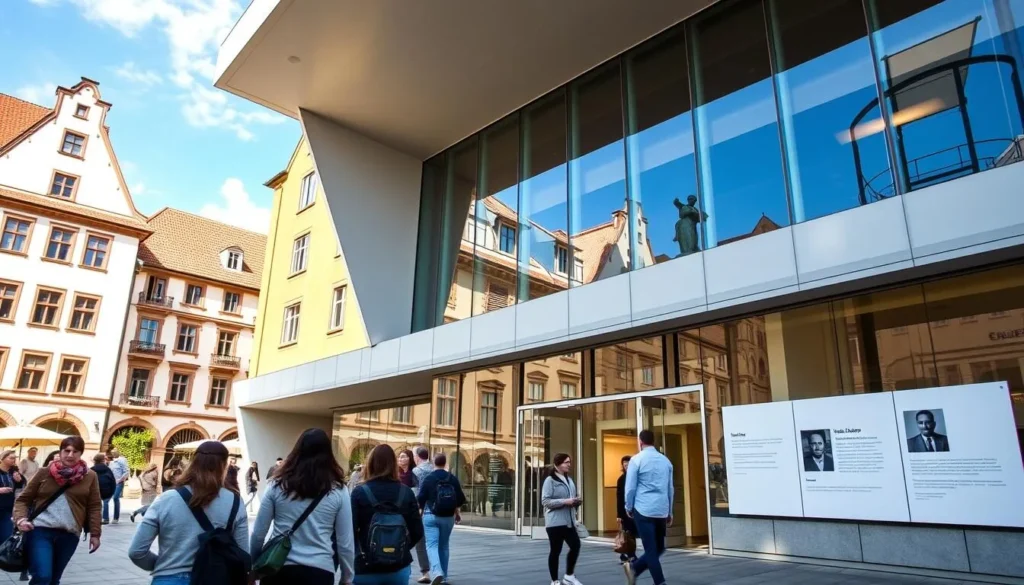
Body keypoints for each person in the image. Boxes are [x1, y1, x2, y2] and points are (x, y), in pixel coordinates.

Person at [128, 441, 249, 584]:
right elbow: (243, 553)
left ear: (193, 462)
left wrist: (163, 566)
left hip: (169, 579)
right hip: (215, 578)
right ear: (224, 466)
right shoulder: (235, 501)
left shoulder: (166, 499)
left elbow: (136, 552)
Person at [251, 428, 355, 585]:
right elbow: (345, 541)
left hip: (278, 568)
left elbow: (259, 533)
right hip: (319, 571)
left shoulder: (276, 485)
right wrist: (347, 577)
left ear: (297, 451)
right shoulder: (339, 491)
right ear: (328, 454)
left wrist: (254, 567)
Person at [15, 436, 102, 585]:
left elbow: (94, 505)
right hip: (40, 530)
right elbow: (23, 499)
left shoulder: (90, 476)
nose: (70, 455)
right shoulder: (45, 472)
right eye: (66, 450)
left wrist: (95, 533)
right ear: (60, 452)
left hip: (69, 533)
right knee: (43, 576)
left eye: (75, 451)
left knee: (54, 579)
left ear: (81, 453)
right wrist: (21, 519)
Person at [350, 445, 424, 585]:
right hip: (399, 567)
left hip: (366, 566)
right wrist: (399, 547)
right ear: (393, 465)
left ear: (370, 463)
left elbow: (350, 530)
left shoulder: (359, 492)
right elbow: (418, 531)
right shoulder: (406, 492)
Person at [623, 430, 674, 585]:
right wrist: (670, 510)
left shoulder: (636, 460)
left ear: (640, 441)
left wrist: (628, 506)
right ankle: (639, 571)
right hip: (661, 509)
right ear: (654, 441)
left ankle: (636, 569)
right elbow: (670, 488)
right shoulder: (666, 461)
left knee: (653, 550)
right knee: (658, 548)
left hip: (643, 509)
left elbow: (630, 487)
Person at [417, 452, 465, 585]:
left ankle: (437, 571)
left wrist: (420, 512)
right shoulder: (453, 478)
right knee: (444, 546)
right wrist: (457, 512)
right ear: (445, 463)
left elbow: (421, 498)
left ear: (433, 462)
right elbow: (460, 499)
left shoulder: (429, 478)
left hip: (430, 516)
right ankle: (443, 577)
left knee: (431, 545)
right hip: (448, 517)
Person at [541, 453, 583, 585]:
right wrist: (565, 501)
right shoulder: (550, 480)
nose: (569, 464)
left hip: (569, 522)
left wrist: (576, 502)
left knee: (576, 545)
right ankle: (554, 580)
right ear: (557, 464)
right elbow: (546, 501)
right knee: (555, 551)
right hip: (555, 523)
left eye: (569, 462)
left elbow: (571, 499)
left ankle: (569, 575)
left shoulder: (569, 480)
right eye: (566, 462)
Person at [396, 449, 427, 583]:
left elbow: (419, 490)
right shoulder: (394, 474)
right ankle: (398, 568)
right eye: (399, 457)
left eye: (403, 457)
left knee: (420, 540)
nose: (400, 459)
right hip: (398, 512)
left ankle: (425, 572)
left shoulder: (414, 473)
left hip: (413, 510)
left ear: (410, 458)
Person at [411, 447, 434, 584]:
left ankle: (425, 572)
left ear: (417, 456)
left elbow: (416, 492)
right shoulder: (434, 468)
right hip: (434, 510)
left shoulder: (416, 471)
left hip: (420, 510)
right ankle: (438, 570)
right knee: (434, 543)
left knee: (420, 542)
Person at [0, 450, 26, 541]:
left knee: (6, 536)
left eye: (14, 458)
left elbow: (23, 485)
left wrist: (19, 481)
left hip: (7, 509)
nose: (13, 460)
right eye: (11, 458)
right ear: (2, 459)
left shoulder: (14, 471)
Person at [615, 455, 637, 563]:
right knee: (628, 533)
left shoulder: (636, 477)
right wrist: (619, 515)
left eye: (628, 464)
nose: (626, 466)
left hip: (635, 509)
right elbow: (619, 498)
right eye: (624, 465)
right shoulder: (621, 479)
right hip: (625, 511)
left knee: (631, 533)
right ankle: (630, 554)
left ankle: (627, 554)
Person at [91, 454, 116, 525]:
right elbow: (113, 482)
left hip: (94, 492)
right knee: (105, 503)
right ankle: (105, 518)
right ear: (103, 460)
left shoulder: (91, 469)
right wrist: (111, 492)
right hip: (106, 491)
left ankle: (95, 519)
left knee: (95, 506)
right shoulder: (108, 469)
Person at [107, 448, 129, 524]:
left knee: (116, 497)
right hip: (111, 483)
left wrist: (120, 480)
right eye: (112, 452)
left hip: (118, 482)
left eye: (115, 452)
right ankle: (105, 518)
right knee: (106, 499)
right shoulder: (112, 462)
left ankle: (116, 517)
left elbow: (126, 471)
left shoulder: (122, 460)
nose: (113, 454)